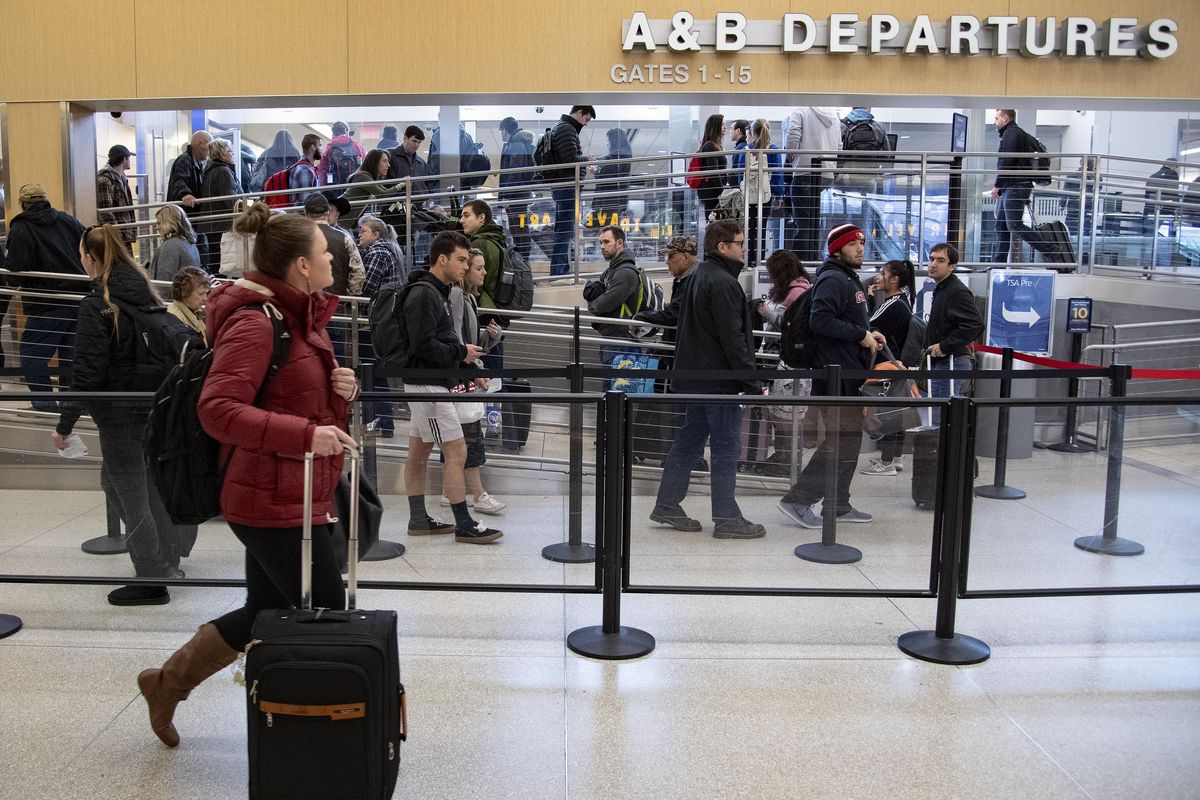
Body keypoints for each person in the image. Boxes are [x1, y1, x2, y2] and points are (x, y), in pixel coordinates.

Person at [134, 201, 360, 748]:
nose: (333, 257)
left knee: (267, 608)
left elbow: (292, 398)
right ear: (301, 265)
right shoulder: (256, 323)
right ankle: (322, 737)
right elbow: (218, 410)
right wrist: (306, 435)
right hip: (266, 497)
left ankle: (166, 683)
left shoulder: (299, 315)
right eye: (324, 251)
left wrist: (340, 393)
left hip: (295, 490)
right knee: (330, 614)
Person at [52, 224, 186, 604]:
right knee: (138, 484)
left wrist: (65, 424)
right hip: (154, 408)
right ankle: (168, 560)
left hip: (118, 413)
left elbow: (87, 373)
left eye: (82, 254)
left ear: (92, 258)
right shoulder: (146, 294)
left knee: (128, 491)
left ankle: (152, 577)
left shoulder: (98, 304)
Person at [649, 219, 766, 540]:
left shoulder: (699, 276)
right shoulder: (725, 284)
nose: (745, 249)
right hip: (718, 382)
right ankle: (727, 517)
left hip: (693, 378)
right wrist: (751, 381)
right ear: (723, 246)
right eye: (740, 243)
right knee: (727, 447)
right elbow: (733, 339)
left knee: (687, 444)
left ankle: (668, 503)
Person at [400, 231, 503, 544]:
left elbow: (439, 342)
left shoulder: (437, 292)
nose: (465, 265)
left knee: (419, 452)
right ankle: (463, 522)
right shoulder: (424, 294)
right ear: (441, 259)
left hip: (431, 383)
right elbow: (424, 345)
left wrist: (466, 367)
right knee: (456, 450)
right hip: (428, 386)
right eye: (460, 259)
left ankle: (419, 519)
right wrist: (462, 355)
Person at [778, 223, 882, 529]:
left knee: (846, 441)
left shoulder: (847, 278)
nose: (860, 248)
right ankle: (798, 499)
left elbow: (845, 319)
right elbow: (820, 320)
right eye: (853, 244)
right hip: (833, 374)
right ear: (837, 249)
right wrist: (858, 334)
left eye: (862, 243)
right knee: (841, 442)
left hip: (846, 372)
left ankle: (838, 504)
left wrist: (869, 333)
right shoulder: (834, 278)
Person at [4, 184, 87, 410]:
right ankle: (72, 406)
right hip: (79, 298)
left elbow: (16, 270)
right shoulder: (67, 221)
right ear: (45, 199)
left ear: (22, 204)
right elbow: (88, 247)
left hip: (46, 302)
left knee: (32, 354)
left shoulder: (21, 228)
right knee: (69, 356)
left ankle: (45, 405)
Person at [439, 248, 506, 514]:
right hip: (461, 375)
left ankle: (448, 491)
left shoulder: (468, 298)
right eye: (478, 267)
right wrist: (475, 368)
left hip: (461, 373)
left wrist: (491, 338)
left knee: (458, 436)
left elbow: (467, 339)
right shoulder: (457, 295)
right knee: (468, 436)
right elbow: (456, 340)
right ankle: (478, 495)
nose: (483, 272)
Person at [753, 249, 812, 477]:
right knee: (783, 413)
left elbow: (787, 323)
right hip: (781, 359)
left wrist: (764, 312)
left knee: (786, 414)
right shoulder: (797, 289)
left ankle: (787, 458)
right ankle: (783, 455)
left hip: (787, 362)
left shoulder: (797, 292)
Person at [862, 259, 916, 477]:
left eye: (882, 273)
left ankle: (886, 463)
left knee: (888, 412)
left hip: (887, 366)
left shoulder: (893, 303)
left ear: (894, 279)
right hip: (898, 364)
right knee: (897, 411)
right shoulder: (903, 302)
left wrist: (869, 299)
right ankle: (896, 458)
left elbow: (867, 323)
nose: (878, 277)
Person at [357, 214, 403, 438]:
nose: (359, 235)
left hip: (374, 320)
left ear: (376, 234)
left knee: (372, 373)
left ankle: (380, 422)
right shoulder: (393, 248)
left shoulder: (378, 252)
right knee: (378, 373)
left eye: (363, 231)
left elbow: (366, 287)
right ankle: (384, 422)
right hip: (387, 320)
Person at [991, 109, 1057, 263]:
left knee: (1014, 225)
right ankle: (998, 264)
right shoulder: (1015, 133)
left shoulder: (1012, 133)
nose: (995, 122)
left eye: (996, 118)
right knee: (1001, 225)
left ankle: (1051, 249)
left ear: (1005, 118)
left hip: (1016, 185)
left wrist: (997, 185)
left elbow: (1008, 161)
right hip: (1011, 185)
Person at [923, 242, 983, 410]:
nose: (933, 264)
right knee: (939, 412)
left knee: (940, 415)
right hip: (943, 360)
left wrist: (944, 346)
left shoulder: (957, 291)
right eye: (931, 259)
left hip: (951, 360)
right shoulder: (942, 288)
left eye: (940, 261)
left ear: (952, 266)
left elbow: (975, 324)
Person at [583, 226, 644, 380]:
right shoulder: (612, 270)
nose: (602, 247)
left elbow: (600, 305)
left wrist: (591, 305)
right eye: (600, 243)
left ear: (619, 243)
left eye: (606, 242)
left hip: (620, 341)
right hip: (612, 338)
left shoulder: (625, 273)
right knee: (612, 391)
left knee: (616, 391)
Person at [546, 105, 597, 279]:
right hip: (566, 186)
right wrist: (587, 159)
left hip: (564, 186)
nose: (586, 123)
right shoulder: (567, 129)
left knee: (564, 230)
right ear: (579, 113)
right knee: (564, 231)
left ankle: (561, 270)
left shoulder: (563, 127)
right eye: (586, 119)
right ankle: (559, 272)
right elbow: (569, 160)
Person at [783, 106, 841, 258]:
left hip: (804, 170)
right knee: (819, 223)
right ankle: (816, 259)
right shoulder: (834, 115)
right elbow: (839, 146)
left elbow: (793, 136)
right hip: (827, 174)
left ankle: (801, 264)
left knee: (802, 223)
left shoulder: (800, 111)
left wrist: (790, 156)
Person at [742, 119, 785, 269]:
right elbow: (778, 174)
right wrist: (778, 195)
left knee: (749, 227)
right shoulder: (772, 149)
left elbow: (740, 172)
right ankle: (759, 260)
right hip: (766, 195)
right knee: (762, 226)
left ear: (752, 132)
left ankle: (748, 258)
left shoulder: (746, 150)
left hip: (748, 194)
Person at [167, 130, 213, 264]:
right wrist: (185, 194)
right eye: (209, 146)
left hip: (190, 216)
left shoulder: (195, 162)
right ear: (200, 144)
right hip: (186, 216)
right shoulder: (185, 160)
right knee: (199, 250)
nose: (210, 151)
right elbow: (179, 180)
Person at [199, 138, 243, 275]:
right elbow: (231, 200)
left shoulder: (210, 171)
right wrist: (246, 207)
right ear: (222, 154)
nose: (233, 154)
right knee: (223, 263)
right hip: (222, 225)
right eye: (230, 151)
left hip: (212, 224)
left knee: (215, 261)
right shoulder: (224, 172)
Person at [498, 117, 537, 262]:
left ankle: (522, 261)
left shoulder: (515, 145)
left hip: (516, 197)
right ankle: (521, 261)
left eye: (500, 130)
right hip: (519, 195)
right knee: (519, 229)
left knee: (519, 229)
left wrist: (506, 195)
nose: (500, 134)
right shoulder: (518, 144)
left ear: (504, 129)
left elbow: (515, 172)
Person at [339, 148, 395, 228]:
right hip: (340, 218)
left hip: (343, 220)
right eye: (384, 161)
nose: (388, 165)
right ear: (374, 163)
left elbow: (386, 192)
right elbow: (383, 194)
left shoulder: (369, 177)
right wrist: (401, 185)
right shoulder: (363, 176)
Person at [96, 144, 137, 247]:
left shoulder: (122, 178)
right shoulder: (104, 180)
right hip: (115, 237)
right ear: (124, 159)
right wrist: (117, 233)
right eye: (129, 158)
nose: (130, 161)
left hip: (124, 234)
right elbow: (105, 212)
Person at [148, 204, 201, 282]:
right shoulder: (189, 243)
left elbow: (164, 280)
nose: (156, 227)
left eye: (159, 223)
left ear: (169, 223)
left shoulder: (170, 246)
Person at [594, 127, 632, 224]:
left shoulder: (620, 155)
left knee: (609, 228)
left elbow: (609, 174)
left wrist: (596, 171)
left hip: (611, 198)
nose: (607, 143)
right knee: (611, 228)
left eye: (609, 140)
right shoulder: (624, 154)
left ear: (614, 140)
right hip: (615, 198)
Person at [695, 114, 728, 221]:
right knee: (714, 225)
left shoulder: (713, 145)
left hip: (712, 192)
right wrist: (722, 192)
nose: (725, 127)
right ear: (715, 127)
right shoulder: (711, 146)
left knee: (714, 224)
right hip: (712, 192)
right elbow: (713, 171)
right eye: (722, 124)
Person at [166, 266, 210, 343]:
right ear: (185, 292)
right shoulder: (175, 319)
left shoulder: (194, 311)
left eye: (206, 293)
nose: (205, 299)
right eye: (201, 294)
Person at [318, 121, 366, 186]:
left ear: (333, 132)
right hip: (354, 188)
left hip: (335, 189)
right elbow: (364, 167)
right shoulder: (357, 147)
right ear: (346, 130)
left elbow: (322, 172)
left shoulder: (328, 149)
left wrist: (324, 190)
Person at [288, 133, 322, 207]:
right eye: (319, 145)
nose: (322, 149)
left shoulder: (304, 167)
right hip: (303, 217)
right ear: (313, 147)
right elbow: (305, 202)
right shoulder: (305, 170)